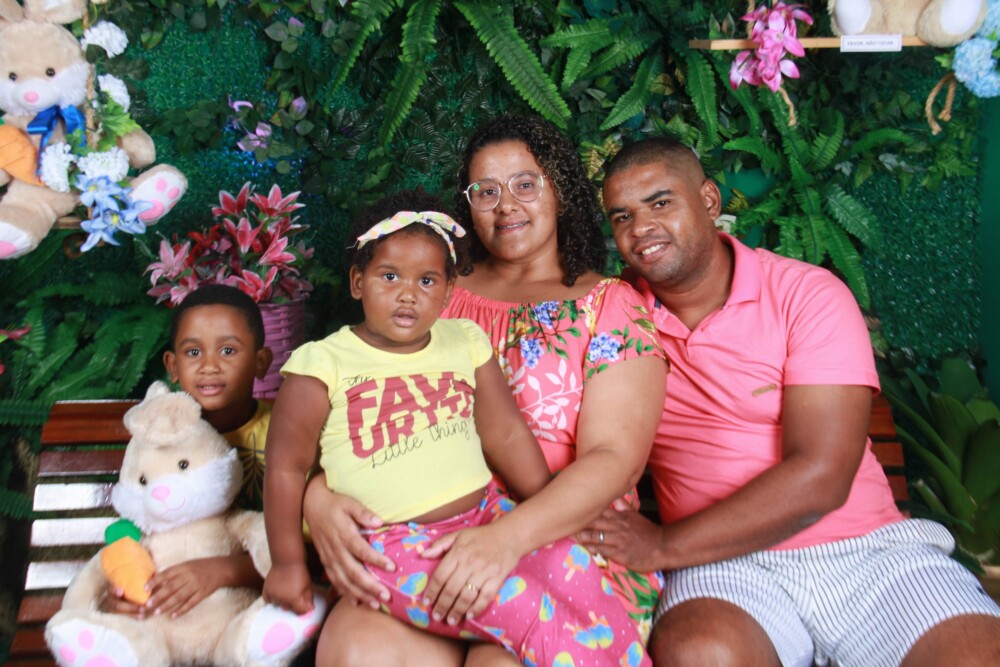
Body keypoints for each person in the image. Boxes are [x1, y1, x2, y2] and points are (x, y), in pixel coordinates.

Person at [585, 135, 1000, 667]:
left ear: (709, 200)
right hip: (721, 564)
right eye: (622, 217)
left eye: (660, 202)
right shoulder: (614, 316)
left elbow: (821, 476)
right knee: (700, 652)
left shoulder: (806, 294)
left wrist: (661, 546)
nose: (640, 228)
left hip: (866, 554)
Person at [300, 115, 668, 667]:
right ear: (466, 205)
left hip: (562, 547)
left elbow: (615, 458)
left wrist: (505, 540)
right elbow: (356, 401)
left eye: (525, 184)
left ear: (560, 189)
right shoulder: (431, 291)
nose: (506, 206)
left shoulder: (608, 307)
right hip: (426, 540)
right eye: (486, 191)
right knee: (354, 646)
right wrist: (319, 497)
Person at [102, 284, 274, 619]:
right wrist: (124, 585)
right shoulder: (156, 437)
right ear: (172, 365)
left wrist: (224, 570)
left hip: (265, 611)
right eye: (193, 352)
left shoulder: (286, 431)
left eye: (228, 350)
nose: (209, 365)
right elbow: (138, 531)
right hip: (179, 612)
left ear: (260, 361)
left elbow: (310, 553)